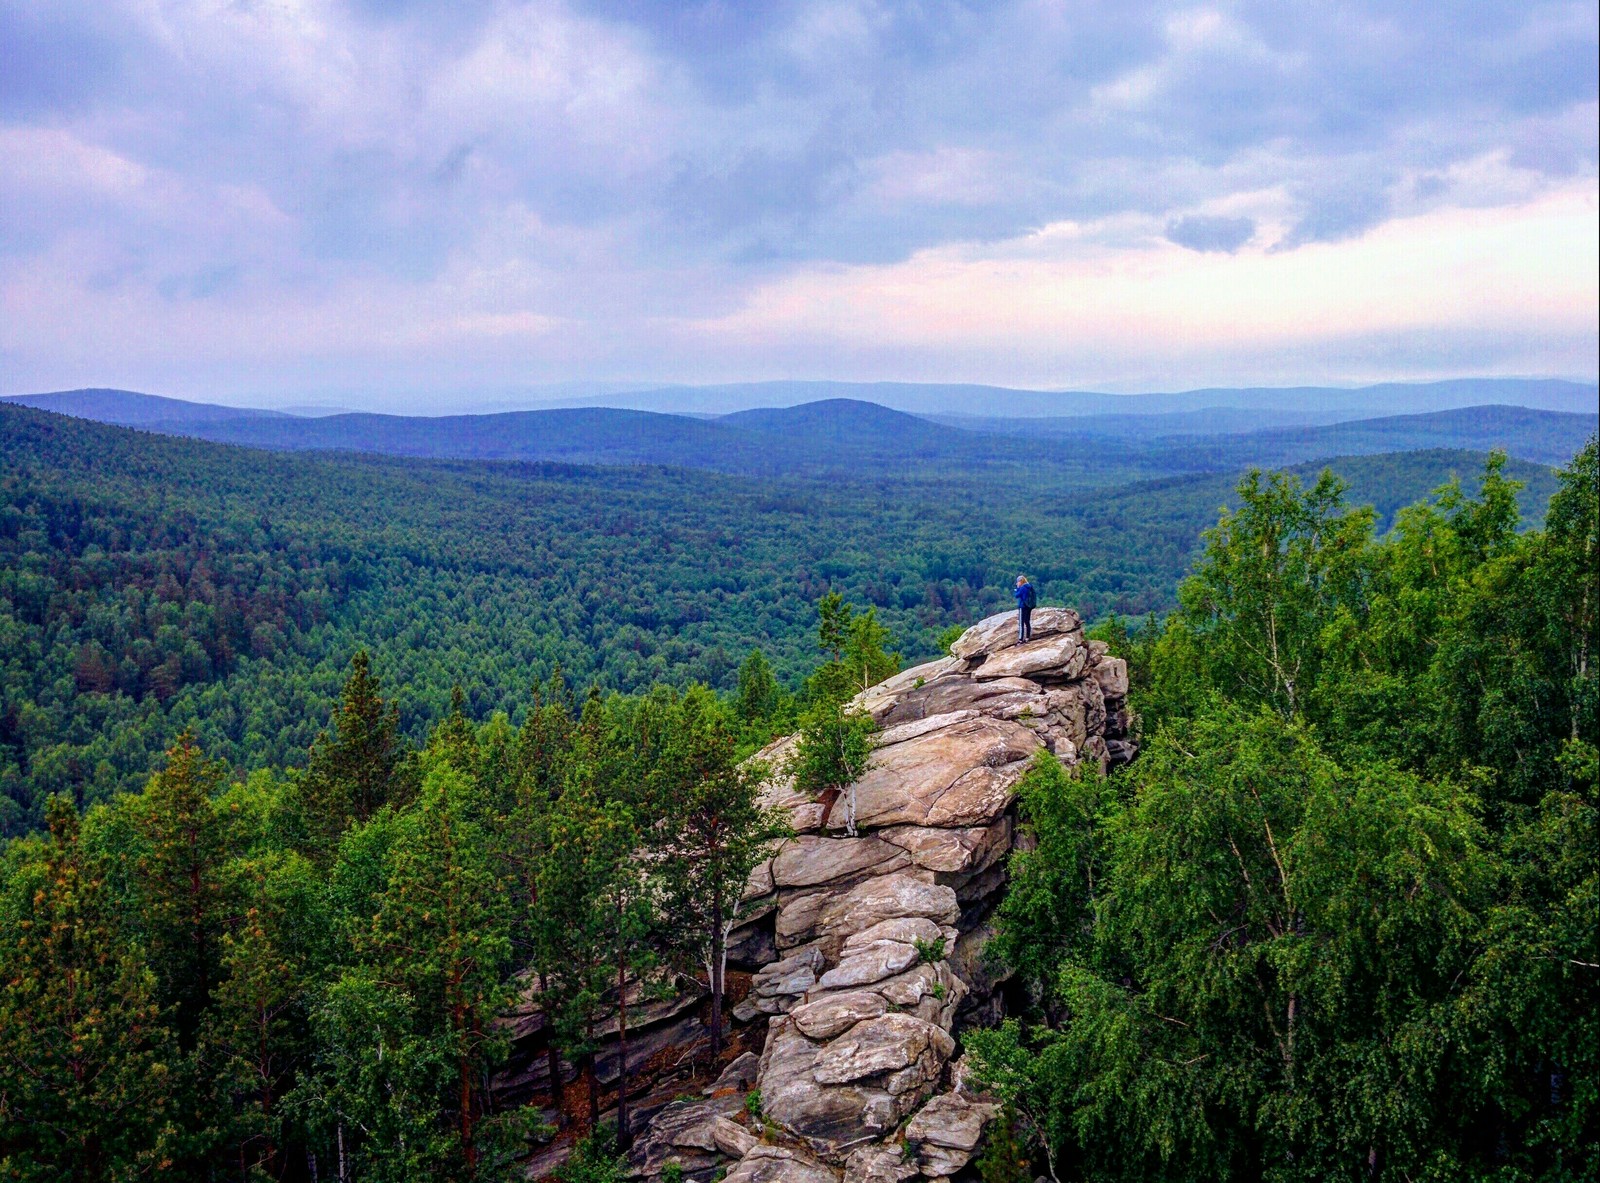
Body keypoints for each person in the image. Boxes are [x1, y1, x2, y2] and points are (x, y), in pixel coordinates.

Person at [1014, 574, 1036, 641]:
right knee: (1027, 622)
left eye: (1018, 582)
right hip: (1028, 606)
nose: (1017, 583)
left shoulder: (1022, 588)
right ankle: (1027, 637)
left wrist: (1017, 588)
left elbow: (1016, 595)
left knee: (1021, 623)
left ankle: (1020, 639)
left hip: (1022, 606)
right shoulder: (1029, 587)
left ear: (1020, 581)